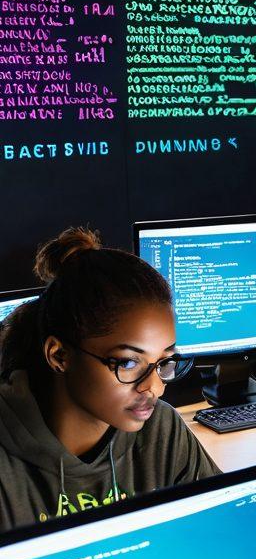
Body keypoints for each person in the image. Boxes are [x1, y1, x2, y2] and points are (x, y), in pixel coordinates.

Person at [0, 227, 219, 531]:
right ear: (60, 356)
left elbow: (221, 535)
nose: (154, 387)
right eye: (129, 362)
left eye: (164, 361)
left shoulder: (161, 430)